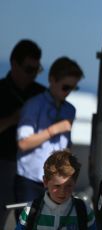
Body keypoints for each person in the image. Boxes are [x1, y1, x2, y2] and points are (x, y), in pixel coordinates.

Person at [15, 56, 83, 218]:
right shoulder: (34, 105)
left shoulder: (70, 110)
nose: (68, 93)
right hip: (30, 180)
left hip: (56, 182)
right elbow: (23, 143)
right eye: (65, 87)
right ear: (52, 80)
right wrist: (53, 130)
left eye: (73, 89)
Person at [0, 39, 46, 226]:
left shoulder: (42, 95)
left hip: (33, 169)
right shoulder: (1, 91)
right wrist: (13, 119)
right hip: (4, 164)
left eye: (37, 70)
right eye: (29, 69)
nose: (33, 75)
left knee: (33, 222)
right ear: (14, 64)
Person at [16, 149, 97, 229]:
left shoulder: (84, 210)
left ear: (75, 183)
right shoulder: (31, 210)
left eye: (68, 186)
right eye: (57, 186)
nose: (62, 192)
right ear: (45, 182)